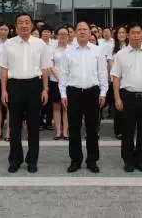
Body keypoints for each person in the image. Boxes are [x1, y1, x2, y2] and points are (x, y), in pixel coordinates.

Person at [0, 13, 52, 174]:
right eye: (20, 23)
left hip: (34, 86)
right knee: (14, 126)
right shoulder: (8, 44)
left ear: (32, 25)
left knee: (33, 126)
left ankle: (32, 160)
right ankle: (15, 160)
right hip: (14, 86)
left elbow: (45, 68)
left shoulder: (40, 44)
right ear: (15, 27)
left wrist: (45, 89)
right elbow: (4, 69)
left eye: (27, 22)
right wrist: (3, 90)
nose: (24, 25)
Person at [59, 21, 108, 173]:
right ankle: (75, 160)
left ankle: (92, 160)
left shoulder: (97, 50)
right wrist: (63, 94)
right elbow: (63, 74)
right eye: (79, 29)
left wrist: (103, 92)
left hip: (92, 92)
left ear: (89, 32)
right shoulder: (68, 52)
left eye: (85, 29)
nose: (82, 32)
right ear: (74, 32)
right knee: (74, 128)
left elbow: (102, 73)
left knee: (92, 129)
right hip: (73, 93)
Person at [111, 23, 142, 173]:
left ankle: (141, 159)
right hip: (128, 96)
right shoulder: (121, 54)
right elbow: (116, 78)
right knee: (128, 130)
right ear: (128, 35)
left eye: (139, 32)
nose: (136, 35)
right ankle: (128, 160)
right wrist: (117, 98)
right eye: (133, 33)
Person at [107, 26, 128, 140]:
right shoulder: (112, 48)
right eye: (119, 33)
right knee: (118, 106)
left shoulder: (129, 47)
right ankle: (118, 130)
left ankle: (127, 129)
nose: (121, 34)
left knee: (127, 106)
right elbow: (110, 64)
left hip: (127, 81)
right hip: (115, 80)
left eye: (123, 32)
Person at [50, 27, 70, 141]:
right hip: (55, 81)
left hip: (69, 82)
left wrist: (65, 78)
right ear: (57, 36)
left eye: (65, 34)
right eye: (60, 34)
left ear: (68, 36)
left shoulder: (72, 49)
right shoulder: (53, 50)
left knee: (66, 107)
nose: (62, 36)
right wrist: (59, 77)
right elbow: (51, 65)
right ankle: (58, 131)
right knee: (56, 107)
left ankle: (65, 131)